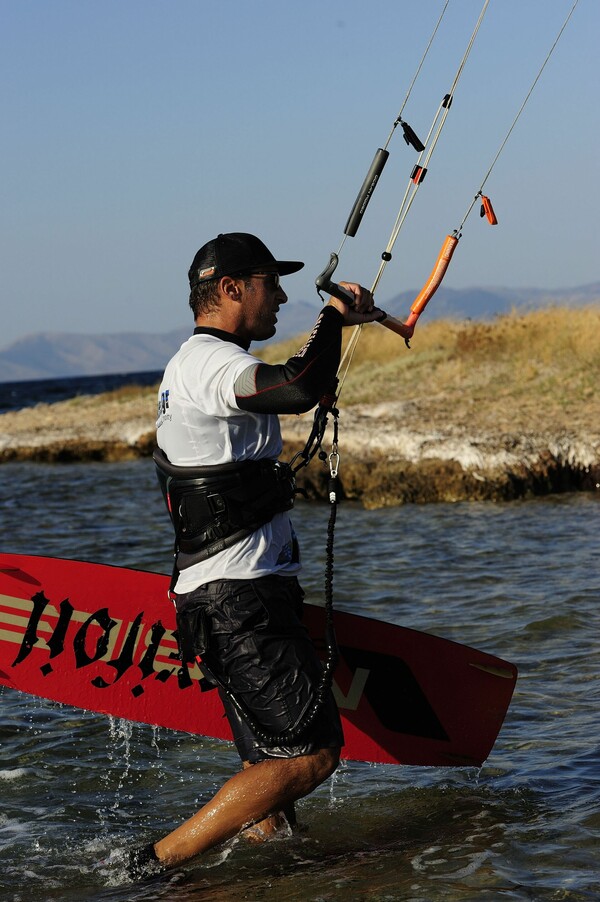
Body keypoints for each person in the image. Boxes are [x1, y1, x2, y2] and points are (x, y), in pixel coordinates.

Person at [129, 232, 382, 877]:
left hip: (231, 596)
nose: (284, 295)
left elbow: (283, 389)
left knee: (267, 769)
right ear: (231, 288)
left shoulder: (208, 364)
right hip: (239, 598)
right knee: (312, 754)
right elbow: (295, 383)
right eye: (273, 283)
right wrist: (332, 318)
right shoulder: (207, 362)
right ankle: (155, 867)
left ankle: (263, 881)